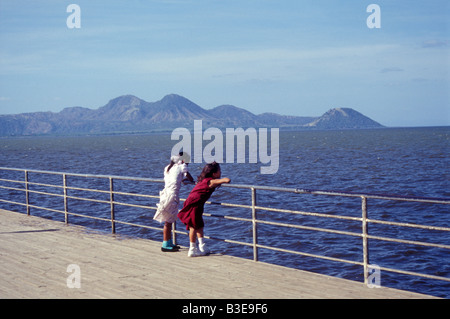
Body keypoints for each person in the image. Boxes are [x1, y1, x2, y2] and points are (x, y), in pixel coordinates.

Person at [178, 161, 231, 257]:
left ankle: (202, 246)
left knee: (199, 224)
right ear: (214, 173)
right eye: (219, 171)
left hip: (196, 203)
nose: (220, 172)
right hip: (194, 203)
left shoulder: (204, 180)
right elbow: (226, 180)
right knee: (193, 226)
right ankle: (192, 249)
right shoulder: (210, 181)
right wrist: (224, 179)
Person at [154, 152, 194, 252]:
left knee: (169, 220)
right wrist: (185, 179)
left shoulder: (168, 167)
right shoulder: (182, 166)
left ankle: (169, 242)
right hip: (172, 196)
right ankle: (165, 245)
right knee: (168, 221)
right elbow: (190, 178)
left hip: (165, 194)